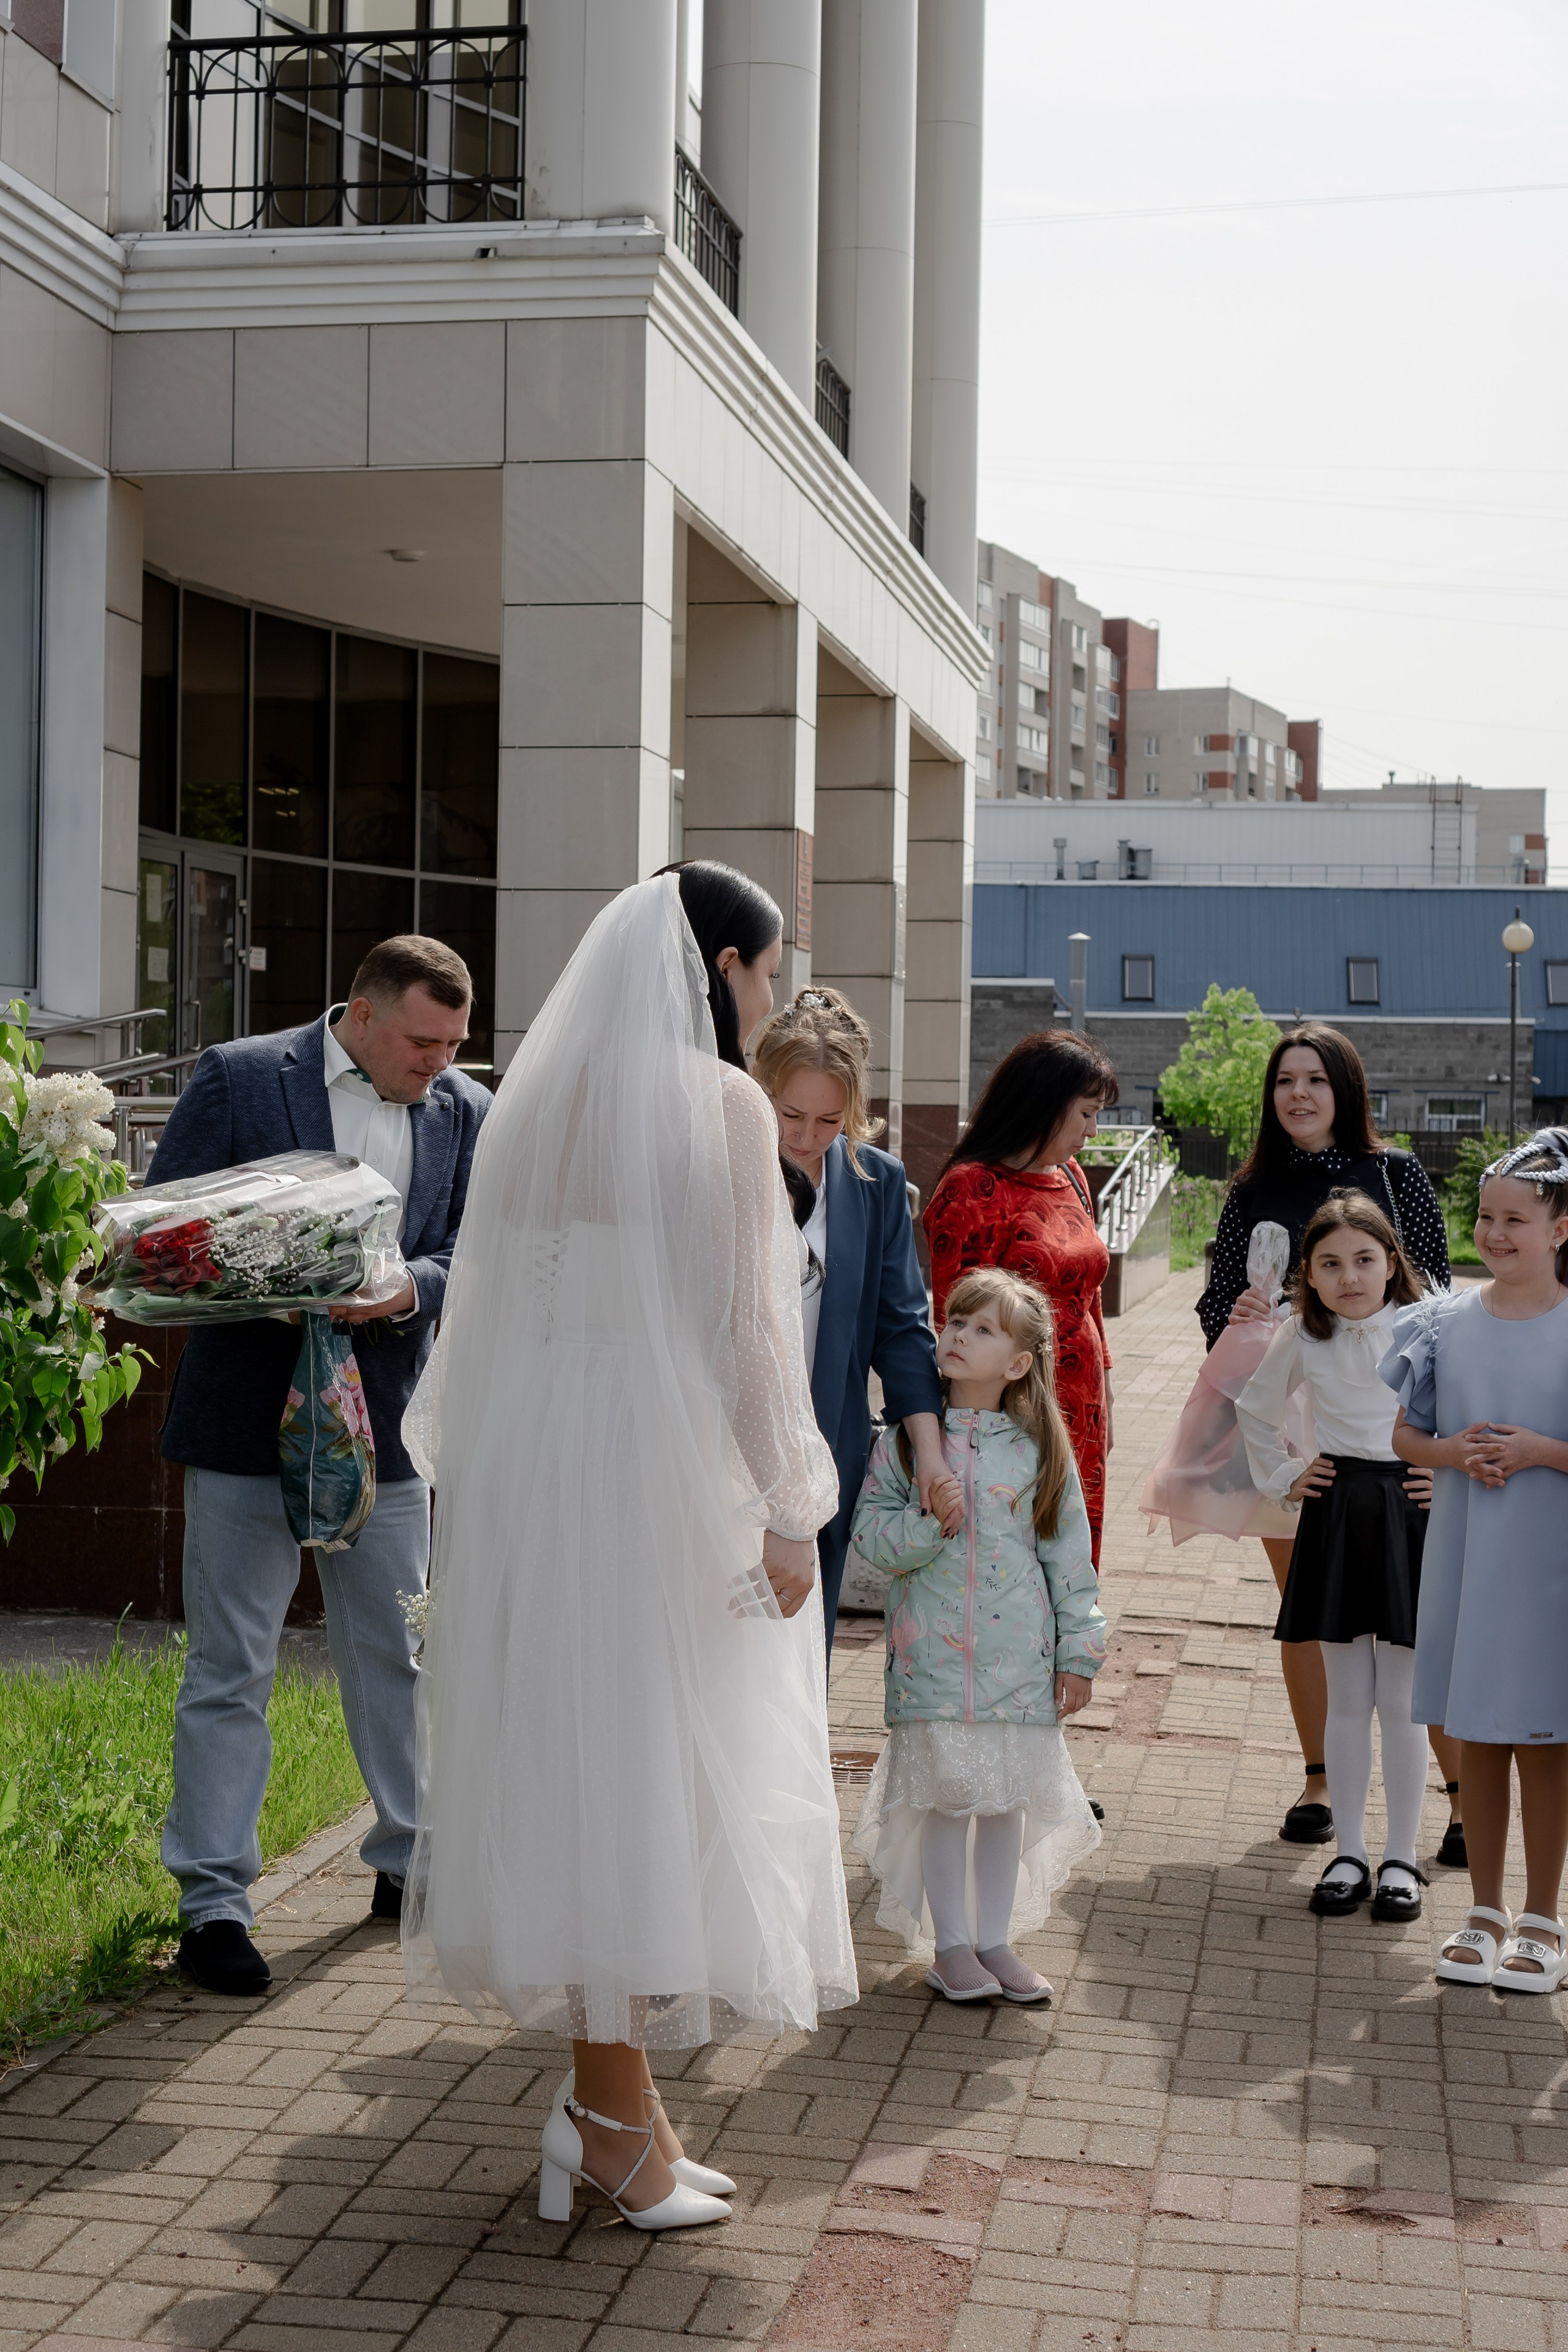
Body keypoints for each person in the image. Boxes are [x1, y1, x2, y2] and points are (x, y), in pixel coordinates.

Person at [401, 865, 853, 2234]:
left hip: (549, 1472)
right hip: (654, 1478)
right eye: (766, 972)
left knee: (585, 1772)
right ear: (720, 967)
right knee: (645, 1777)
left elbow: (491, 1318)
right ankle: (610, 2125)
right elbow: (741, 1329)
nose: (769, 996)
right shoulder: (713, 1102)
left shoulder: (537, 1109)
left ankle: (620, 2109)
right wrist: (794, 1498)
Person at [148, 935, 491, 1996]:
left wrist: (410, 1291)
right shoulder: (244, 1078)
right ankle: (213, 1905)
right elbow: (162, 1230)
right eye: (424, 1042)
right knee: (230, 1664)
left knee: (397, 1652)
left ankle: (408, 1861)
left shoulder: (466, 1113)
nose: (439, 1065)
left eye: (453, 1046)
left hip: (387, 1430)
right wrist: (279, 1269)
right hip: (246, 1422)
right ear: (363, 1010)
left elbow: (478, 1251)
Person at [1197, 1022, 1453, 1851]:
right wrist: (1234, 1315)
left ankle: (1456, 1791)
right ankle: (1321, 1780)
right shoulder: (1251, 1187)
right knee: (1311, 1610)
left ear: (1345, 1088)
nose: (1298, 1093)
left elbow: (1439, 1293)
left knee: (1417, 1615)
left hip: (1384, 1416)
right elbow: (1214, 1305)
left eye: (1315, 1078)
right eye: (1284, 1081)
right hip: (1290, 1411)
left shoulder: (1396, 1173)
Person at [848, 1266, 1104, 2003]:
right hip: (930, 1662)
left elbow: (1069, 1560)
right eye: (955, 1321)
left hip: (1017, 1666)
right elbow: (871, 1539)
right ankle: (950, 1946)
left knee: (1001, 1805)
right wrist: (930, 1522)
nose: (958, 1334)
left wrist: (1078, 1652)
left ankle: (996, 1941)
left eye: (982, 1328)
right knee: (943, 1800)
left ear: (1017, 1363)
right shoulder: (902, 1444)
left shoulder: (1037, 1451)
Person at [1386, 1132, 1568, 1992]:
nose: (1494, 1233)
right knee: (1476, 1734)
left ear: (1561, 1229)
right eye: (1486, 1215)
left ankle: (1543, 1918)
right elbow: (1406, 1436)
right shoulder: (1444, 1322)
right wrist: (1452, 1453)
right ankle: (1484, 1911)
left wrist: (1542, 1449)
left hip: (1548, 1567)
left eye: (1516, 1220)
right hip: (1468, 1559)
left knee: (1547, 1739)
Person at [1235, 1193, 1432, 1921]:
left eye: (1363, 1259)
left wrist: (1444, 1471)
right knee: (1348, 1695)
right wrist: (1287, 1475)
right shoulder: (1301, 1334)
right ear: (1308, 1277)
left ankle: (1402, 1858)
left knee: (1403, 1700)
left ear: (1390, 1264)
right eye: (1329, 1264)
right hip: (1340, 1506)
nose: (1349, 1276)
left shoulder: (1426, 1326)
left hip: (1407, 1511)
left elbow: (1473, 1406)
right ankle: (1349, 1852)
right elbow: (1255, 1406)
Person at [750, 987, 944, 1652]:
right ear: (759, 1089)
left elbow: (901, 1327)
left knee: (800, 1657)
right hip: (722, 1456)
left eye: (830, 1121)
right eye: (790, 1115)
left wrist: (929, 1450)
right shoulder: (721, 1167)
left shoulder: (877, 1181)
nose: (806, 1139)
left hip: (823, 1456)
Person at [923, 1031, 1120, 1570]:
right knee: (1010, 1561)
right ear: (1045, 1105)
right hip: (1014, 1407)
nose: (1092, 1131)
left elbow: (1090, 1292)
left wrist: (1106, 1381)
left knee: (1073, 1554)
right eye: (1085, 1114)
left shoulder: (1073, 1177)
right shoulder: (971, 1188)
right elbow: (956, 1321)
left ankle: (1066, 1656)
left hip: (1082, 1402)